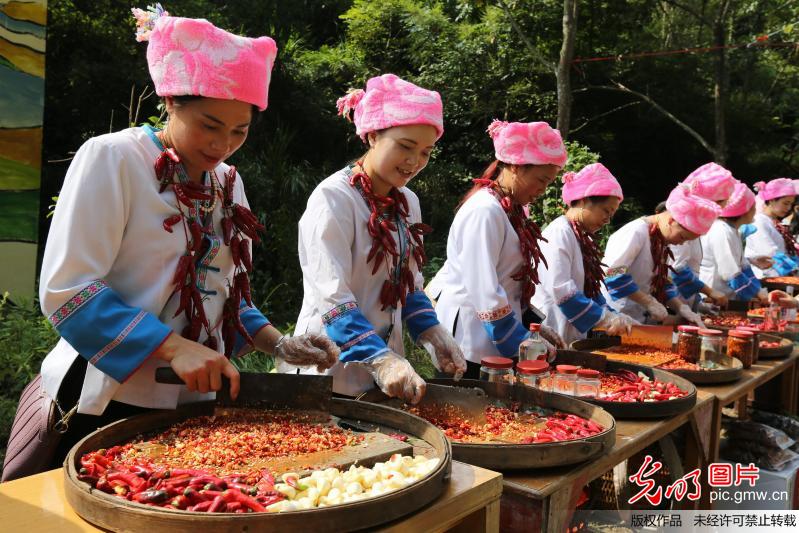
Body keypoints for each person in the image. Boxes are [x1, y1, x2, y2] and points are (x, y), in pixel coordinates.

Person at [2, 8, 340, 481]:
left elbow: (222, 294)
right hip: (107, 399)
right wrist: (172, 348)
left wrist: (279, 343)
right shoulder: (114, 158)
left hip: (193, 403)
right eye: (209, 124)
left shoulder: (228, 184)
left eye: (239, 130)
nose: (223, 144)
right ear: (172, 102)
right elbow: (68, 291)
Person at [281, 74, 466, 402]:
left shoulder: (407, 202)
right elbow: (331, 296)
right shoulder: (333, 198)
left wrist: (433, 333)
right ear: (372, 136)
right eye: (405, 146)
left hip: (384, 370)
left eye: (425, 152)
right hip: (327, 368)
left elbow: (408, 281)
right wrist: (378, 359)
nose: (414, 161)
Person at [428, 120, 568, 378]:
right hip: (470, 340)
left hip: (492, 336)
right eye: (541, 180)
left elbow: (509, 280)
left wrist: (530, 326)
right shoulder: (485, 210)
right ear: (515, 166)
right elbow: (484, 288)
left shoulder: (511, 210)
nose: (543, 190)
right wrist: (521, 340)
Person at [532, 163, 637, 345]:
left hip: (570, 331)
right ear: (583, 200)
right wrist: (604, 318)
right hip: (552, 326)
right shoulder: (559, 233)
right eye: (606, 211)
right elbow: (562, 290)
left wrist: (610, 313)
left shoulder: (581, 237)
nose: (607, 220)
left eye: (611, 214)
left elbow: (590, 290)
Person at [601, 183, 721, 326]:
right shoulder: (636, 233)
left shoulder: (662, 240)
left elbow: (663, 280)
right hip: (618, 318)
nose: (682, 243)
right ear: (671, 220)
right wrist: (648, 302)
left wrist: (680, 307)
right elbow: (612, 273)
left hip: (641, 318)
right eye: (683, 237)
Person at [669, 163, 735, 309]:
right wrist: (709, 291)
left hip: (673, 305)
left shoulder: (692, 224)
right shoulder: (638, 232)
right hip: (629, 315)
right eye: (724, 201)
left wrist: (697, 304)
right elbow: (613, 274)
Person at [699, 182, 766, 302]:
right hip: (714, 297)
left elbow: (744, 265)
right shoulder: (721, 230)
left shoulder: (732, 230)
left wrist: (758, 291)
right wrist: (756, 294)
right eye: (753, 207)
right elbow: (729, 272)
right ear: (744, 210)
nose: (755, 211)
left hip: (726, 297)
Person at [745, 178, 798, 278]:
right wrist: (794, 267)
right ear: (772, 200)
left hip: (776, 277)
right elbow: (770, 253)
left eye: (791, 204)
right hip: (764, 278)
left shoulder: (771, 222)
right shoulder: (759, 222)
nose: (789, 208)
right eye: (785, 203)